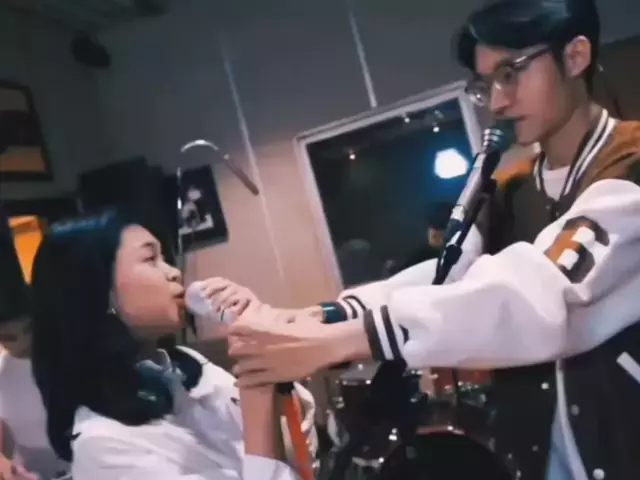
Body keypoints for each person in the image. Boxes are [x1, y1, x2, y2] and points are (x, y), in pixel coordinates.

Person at [223, 1, 640, 479]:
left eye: (511, 73)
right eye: (485, 85)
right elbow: (447, 273)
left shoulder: (629, 165)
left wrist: (345, 340)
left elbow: (539, 295)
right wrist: (326, 315)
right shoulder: (515, 188)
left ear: (575, 56)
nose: (498, 102)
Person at [29, 211, 315, 480]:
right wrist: (257, 386)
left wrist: (261, 330)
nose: (174, 272)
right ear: (98, 291)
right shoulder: (102, 446)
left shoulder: (186, 367)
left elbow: (299, 443)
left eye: (164, 258)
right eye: (150, 259)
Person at [0, 291, 68, 480]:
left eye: (30, 329)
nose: (25, 341)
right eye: (10, 337)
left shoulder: (70, 360)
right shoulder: (3, 373)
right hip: (28, 468)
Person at [391, 202, 454, 275]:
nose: (434, 232)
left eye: (440, 227)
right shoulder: (421, 254)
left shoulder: (452, 259)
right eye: (432, 226)